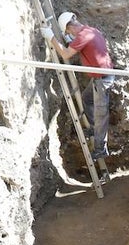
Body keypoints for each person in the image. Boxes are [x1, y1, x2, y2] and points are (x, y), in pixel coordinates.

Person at [41, 11, 116, 161]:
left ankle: (101, 148)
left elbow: (66, 54)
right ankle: (95, 130)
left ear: (69, 28)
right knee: (87, 99)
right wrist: (70, 40)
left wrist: (52, 38)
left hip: (103, 78)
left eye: (68, 32)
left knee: (101, 115)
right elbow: (85, 46)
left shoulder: (82, 36)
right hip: (100, 75)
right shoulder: (90, 30)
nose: (70, 34)